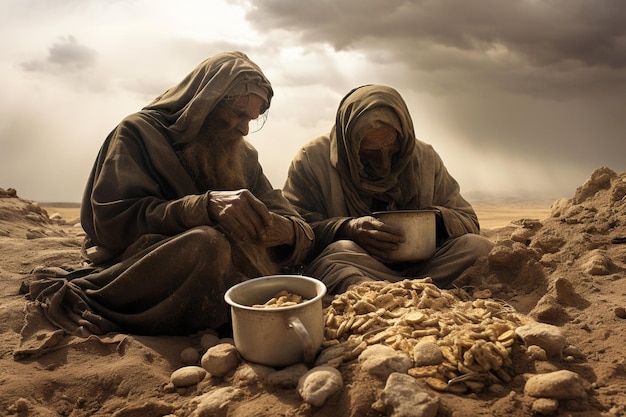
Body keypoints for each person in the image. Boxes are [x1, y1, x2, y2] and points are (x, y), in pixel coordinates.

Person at [26, 51, 314, 337]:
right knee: (207, 244)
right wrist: (205, 207)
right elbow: (112, 224)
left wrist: (283, 229)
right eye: (238, 114)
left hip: (217, 265)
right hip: (142, 262)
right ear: (207, 100)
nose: (244, 129)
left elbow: (294, 220)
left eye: (251, 118)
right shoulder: (137, 134)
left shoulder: (242, 156)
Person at [282, 84, 493, 294]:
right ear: (350, 144)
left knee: (477, 247)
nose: (383, 164)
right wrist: (347, 229)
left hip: (427, 268)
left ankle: (405, 294)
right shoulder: (312, 160)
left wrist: (434, 220)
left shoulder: (425, 158)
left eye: (392, 149)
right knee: (339, 255)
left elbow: (468, 221)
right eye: (370, 153)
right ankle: (378, 298)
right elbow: (293, 233)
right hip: (359, 264)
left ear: (404, 136)